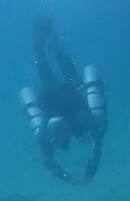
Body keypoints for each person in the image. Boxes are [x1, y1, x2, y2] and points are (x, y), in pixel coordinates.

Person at [18, 16, 107, 184]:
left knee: (57, 77)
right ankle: (52, 49)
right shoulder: (76, 122)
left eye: (60, 140)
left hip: (64, 96)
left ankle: (44, 49)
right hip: (55, 96)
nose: (62, 142)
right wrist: (90, 169)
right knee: (62, 76)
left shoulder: (49, 130)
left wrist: (67, 176)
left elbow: (47, 160)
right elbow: (97, 140)